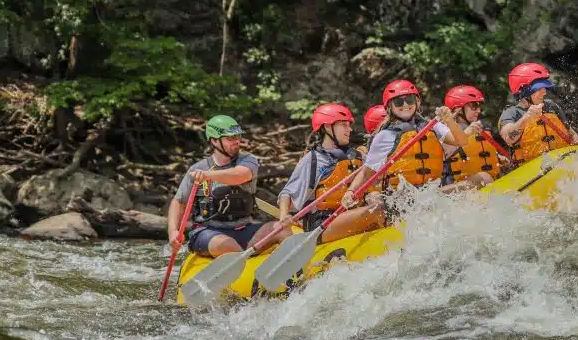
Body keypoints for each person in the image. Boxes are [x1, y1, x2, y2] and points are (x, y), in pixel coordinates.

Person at [339, 79, 469, 225]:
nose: (405, 105)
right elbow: (367, 172)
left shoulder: (433, 126)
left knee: (471, 186)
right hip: (400, 200)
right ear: (389, 107)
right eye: (399, 102)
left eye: (409, 99)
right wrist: (351, 191)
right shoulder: (385, 136)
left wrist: (450, 121)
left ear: (417, 101)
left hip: (430, 193)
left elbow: (461, 141)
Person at [167, 115, 289, 257]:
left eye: (238, 137)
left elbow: (240, 176)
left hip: (244, 229)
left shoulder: (248, 160)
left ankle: (296, 274)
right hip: (207, 232)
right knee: (227, 245)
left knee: (283, 229)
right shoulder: (197, 169)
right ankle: (243, 259)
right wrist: (173, 232)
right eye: (230, 138)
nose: (236, 141)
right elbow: (179, 202)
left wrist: (207, 175)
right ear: (214, 141)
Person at [277, 103, 380, 244]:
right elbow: (287, 193)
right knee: (379, 210)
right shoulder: (313, 159)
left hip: (351, 217)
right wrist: (284, 216)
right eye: (343, 125)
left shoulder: (357, 156)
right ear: (327, 126)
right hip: (323, 225)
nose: (349, 129)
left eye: (349, 125)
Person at [498, 62, 578, 165]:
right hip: (530, 169)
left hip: (562, 162)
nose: (545, 92)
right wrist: (526, 118)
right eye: (539, 88)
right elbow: (508, 139)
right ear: (523, 91)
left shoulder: (552, 106)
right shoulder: (511, 113)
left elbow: (572, 134)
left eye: (544, 88)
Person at [441, 84, 507, 189]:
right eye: (474, 106)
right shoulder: (445, 132)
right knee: (484, 178)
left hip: (481, 185)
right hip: (454, 188)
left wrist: (498, 158)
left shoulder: (479, 129)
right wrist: (466, 133)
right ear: (458, 109)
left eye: (479, 106)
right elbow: (447, 151)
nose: (479, 111)